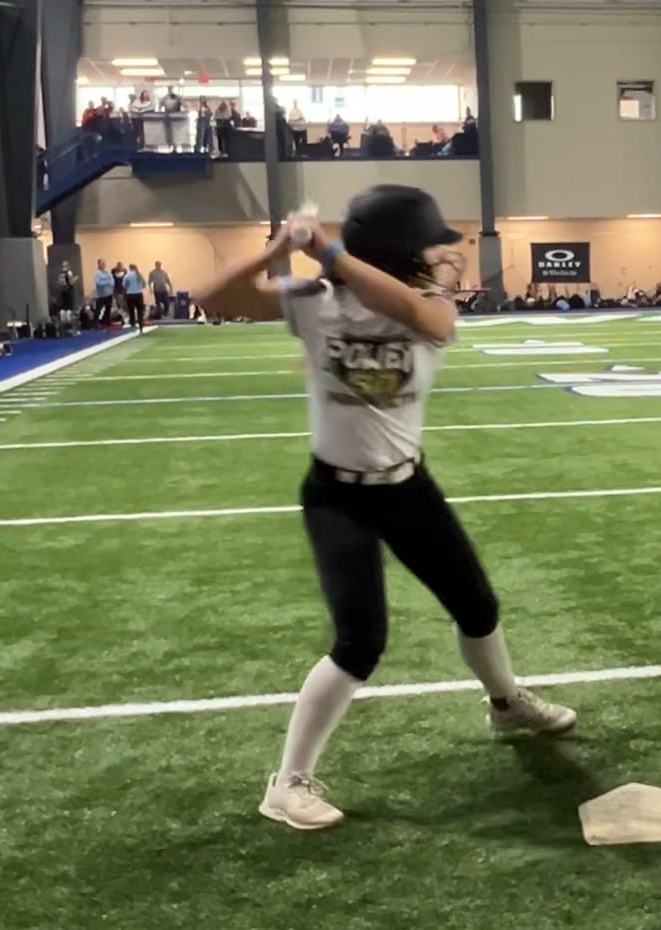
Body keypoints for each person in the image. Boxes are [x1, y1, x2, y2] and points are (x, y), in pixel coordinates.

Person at [200, 185, 578, 831]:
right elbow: (212, 300)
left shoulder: (428, 305)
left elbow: (430, 322)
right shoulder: (316, 301)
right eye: (431, 247)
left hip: (406, 486)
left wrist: (330, 253)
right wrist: (280, 246)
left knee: (477, 607)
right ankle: (287, 783)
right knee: (360, 641)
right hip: (338, 495)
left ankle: (506, 703)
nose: (442, 258)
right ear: (401, 250)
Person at [124, 263, 146, 330]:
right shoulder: (139, 275)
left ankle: (133, 324)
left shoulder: (127, 275)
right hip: (138, 294)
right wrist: (139, 287)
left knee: (131, 310)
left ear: (130, 268)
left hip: (130, 295)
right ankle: (141, 324)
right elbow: (144, 284)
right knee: (140, 310)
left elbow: (125, 286)